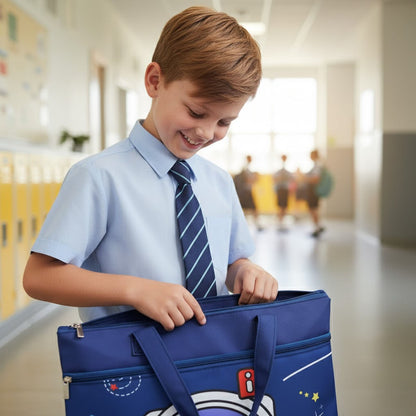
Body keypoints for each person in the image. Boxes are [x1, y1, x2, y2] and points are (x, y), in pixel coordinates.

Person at [23, 7, 278, 332]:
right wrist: (136, 290)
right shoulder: (99, 177)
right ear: (155, 81)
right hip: (131, 365)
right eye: (196, 112)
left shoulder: (218, 182)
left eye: (224, 121)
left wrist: (245, 271)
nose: (206, 132)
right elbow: (39, 276)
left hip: (208, 357)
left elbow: (231, 262)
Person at [233, 155, 262, 230]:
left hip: (244, 192)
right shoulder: (245, 169)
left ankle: (242, 225)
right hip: (246, 192)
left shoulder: (245, 168)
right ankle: (255, 224)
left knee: (247, 209)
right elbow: (249, 179)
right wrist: (254, 177)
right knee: (253, 208)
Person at [304, 149, 325, 237]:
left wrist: (305, 178)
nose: (310, 157)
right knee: (313, 209)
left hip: (313, 190)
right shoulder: (316, 165)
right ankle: (317, 226)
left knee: (313, 209)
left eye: (311, 155)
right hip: (313, 190)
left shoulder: (317, 166)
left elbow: (316, 179)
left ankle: (317, 228)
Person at [273, 154, 293, 229]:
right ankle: (280, 222)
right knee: (281, 207)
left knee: (284, 207)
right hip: (280, 189)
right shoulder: (278, 169)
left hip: (285, 189)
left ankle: (281, 222)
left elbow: (292, 178)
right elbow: (274, 179)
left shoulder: (287, 170)